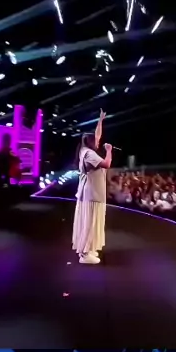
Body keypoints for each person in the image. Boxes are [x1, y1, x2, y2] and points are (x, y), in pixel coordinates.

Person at [72, 109, 112, 264]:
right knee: (90, 222)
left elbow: (97, 135)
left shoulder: (84, 150)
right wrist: (109, 151)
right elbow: (106, 164)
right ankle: (85, 252)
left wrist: (100, 121)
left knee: (91, 221)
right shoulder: (89, 154)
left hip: (91, 192)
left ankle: (89, 248)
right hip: (92, 193)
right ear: (89, 142)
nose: (98, 142)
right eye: (94, 140)